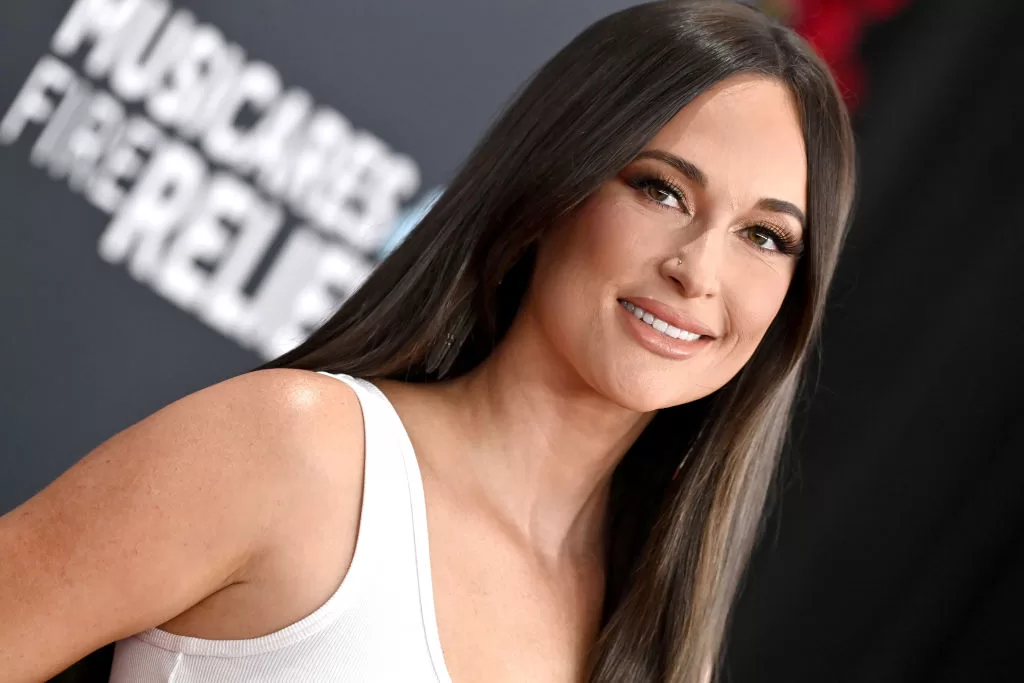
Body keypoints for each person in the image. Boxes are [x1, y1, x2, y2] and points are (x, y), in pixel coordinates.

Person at [0, 1, 855, 681]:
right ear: (557, 182)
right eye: (662, 191)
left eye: (766, 237)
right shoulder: (296, 448)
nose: (698, 271)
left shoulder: (668, 647)